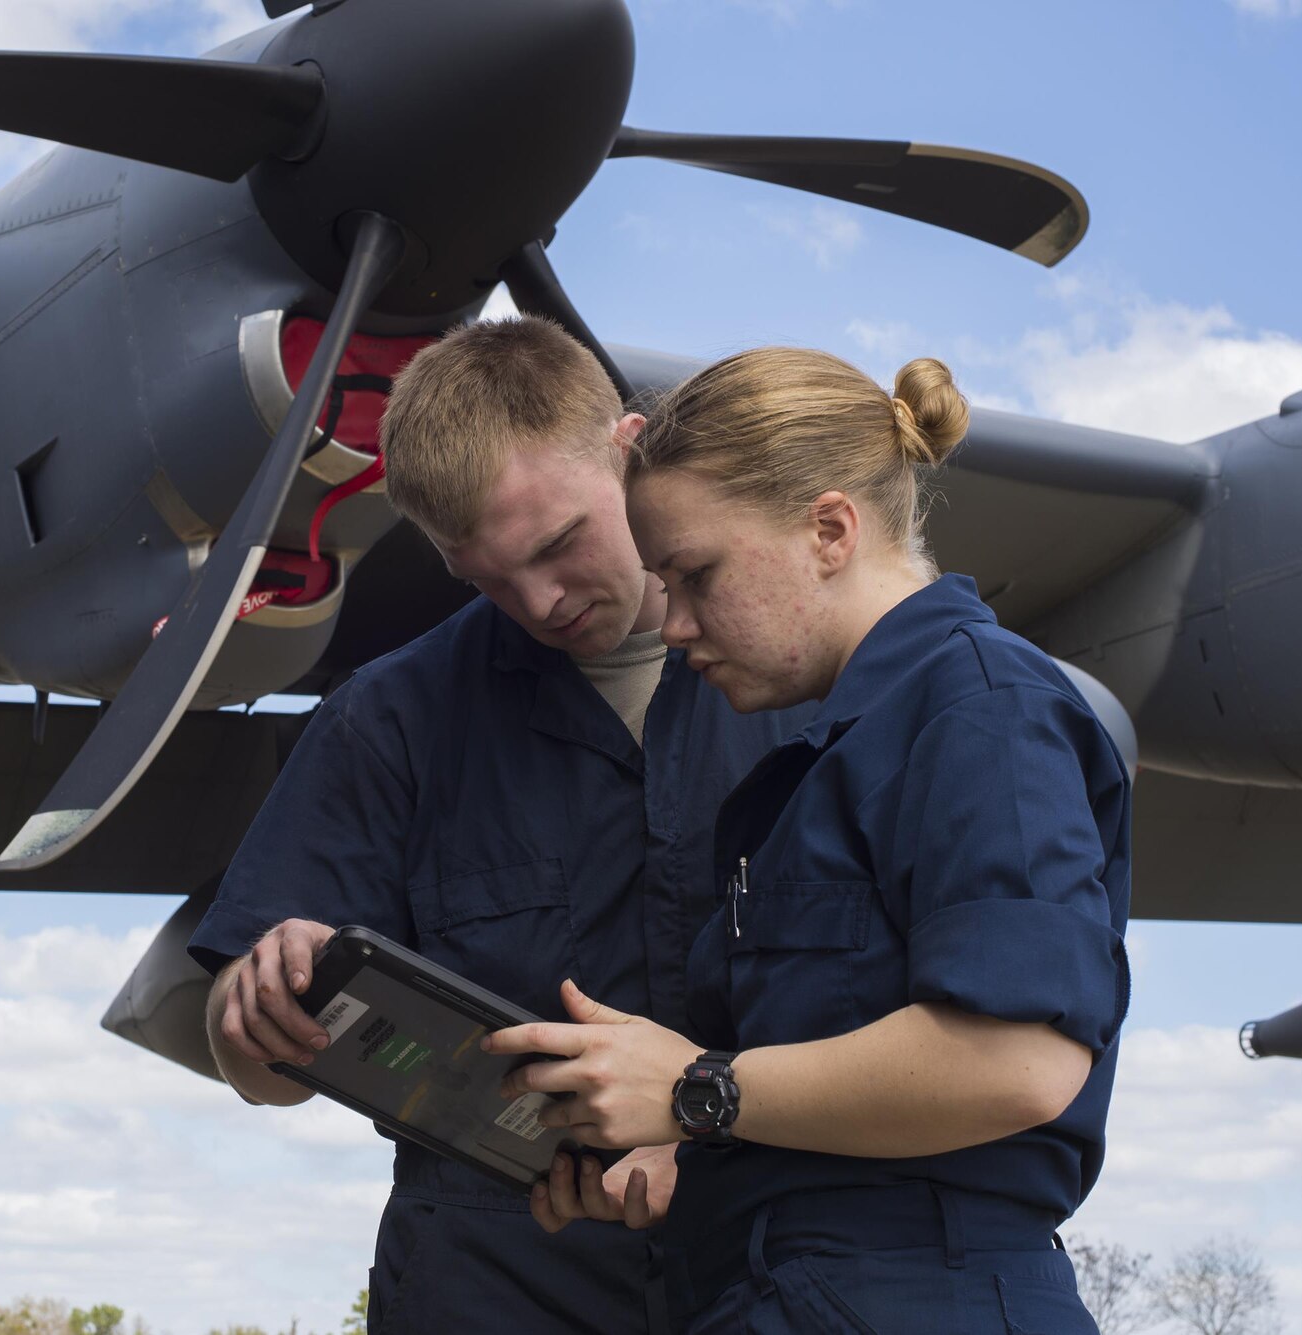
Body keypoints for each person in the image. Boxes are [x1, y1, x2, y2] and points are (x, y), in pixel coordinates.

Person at [482, 348, 1131, 1333]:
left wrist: (695, 1090)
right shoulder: (825, 755)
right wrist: (676, 1148)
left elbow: (1016, 1060)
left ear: (829, 530)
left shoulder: (977, 707)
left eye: (696, 575)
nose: (674, 623)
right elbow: (803, 1094)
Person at [186, 319, 798, 1334]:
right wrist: (250, 1011)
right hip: (489, 1284)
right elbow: (254, 1070)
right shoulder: (388, 722)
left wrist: (713, 1125)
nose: (538, 602)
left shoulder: (814, 684)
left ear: (628, 449)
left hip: (776, 1265)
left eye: (558, 546)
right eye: (486, 582)